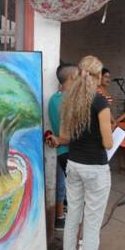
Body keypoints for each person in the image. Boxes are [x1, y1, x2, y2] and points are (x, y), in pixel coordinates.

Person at [54, 55, 113, 250]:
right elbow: (108, 143)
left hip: (74, 165)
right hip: (95, 169)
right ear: (98, 77)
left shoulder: (68, 100)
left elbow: (65, 137)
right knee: (91, 224)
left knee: (73, 217)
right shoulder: (100, 102)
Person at [47, 63, 79, 229]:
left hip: (62, 152)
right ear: (72, 77)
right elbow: (75, 133)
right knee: (78, 197)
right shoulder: (69, 101)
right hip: (72, 152)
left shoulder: (54, 99)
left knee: (70, 192)